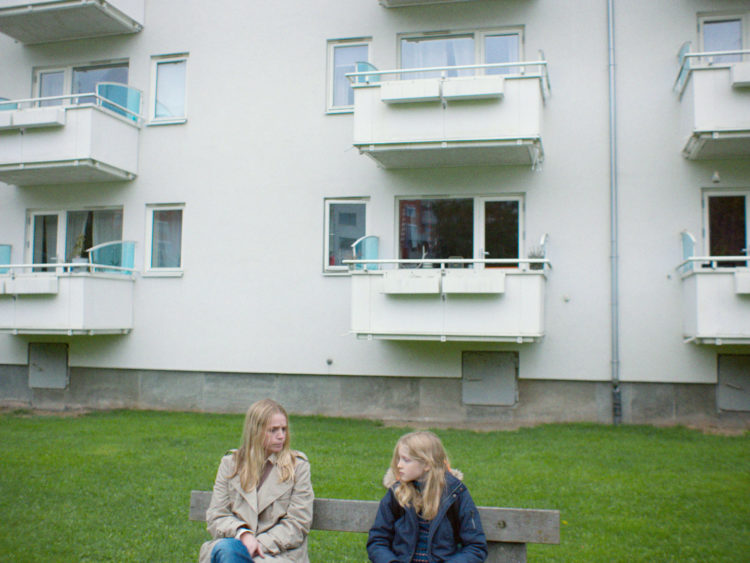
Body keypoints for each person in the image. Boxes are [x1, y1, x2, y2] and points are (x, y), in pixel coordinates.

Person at [199, 399, 314, 563]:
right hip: (234, 546)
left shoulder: (298, 467)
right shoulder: (231, 464)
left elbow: (297, 524)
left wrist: (257, 545)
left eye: (284, 429)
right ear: (255, 431)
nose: (281, 436)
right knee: (227, 550)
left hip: (278, 554)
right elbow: (217, 515)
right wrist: (243, 535)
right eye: (273, 430)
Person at [367, 431, 488, 563]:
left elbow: (476, 547)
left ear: (427, 464)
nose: (399, 465)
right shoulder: (397, 494)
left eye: (406, 460)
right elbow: (377, 541)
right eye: (398, 459)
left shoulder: (455, 494)